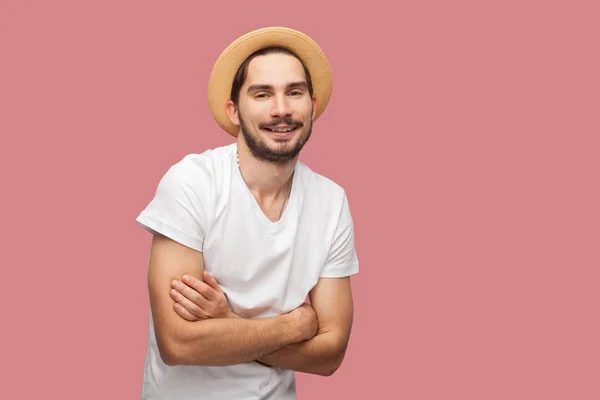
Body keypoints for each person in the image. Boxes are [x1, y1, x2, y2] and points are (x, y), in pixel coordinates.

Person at [135, 26, 359, 400]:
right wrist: (296, 324)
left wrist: (229, 324)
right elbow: (178, 344)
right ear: (233, 110)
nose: (282, 109)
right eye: (262, 94)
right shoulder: (192, 183)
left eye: (294, 92)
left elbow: (330, 354)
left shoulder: (331, 201)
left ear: (313, 106)